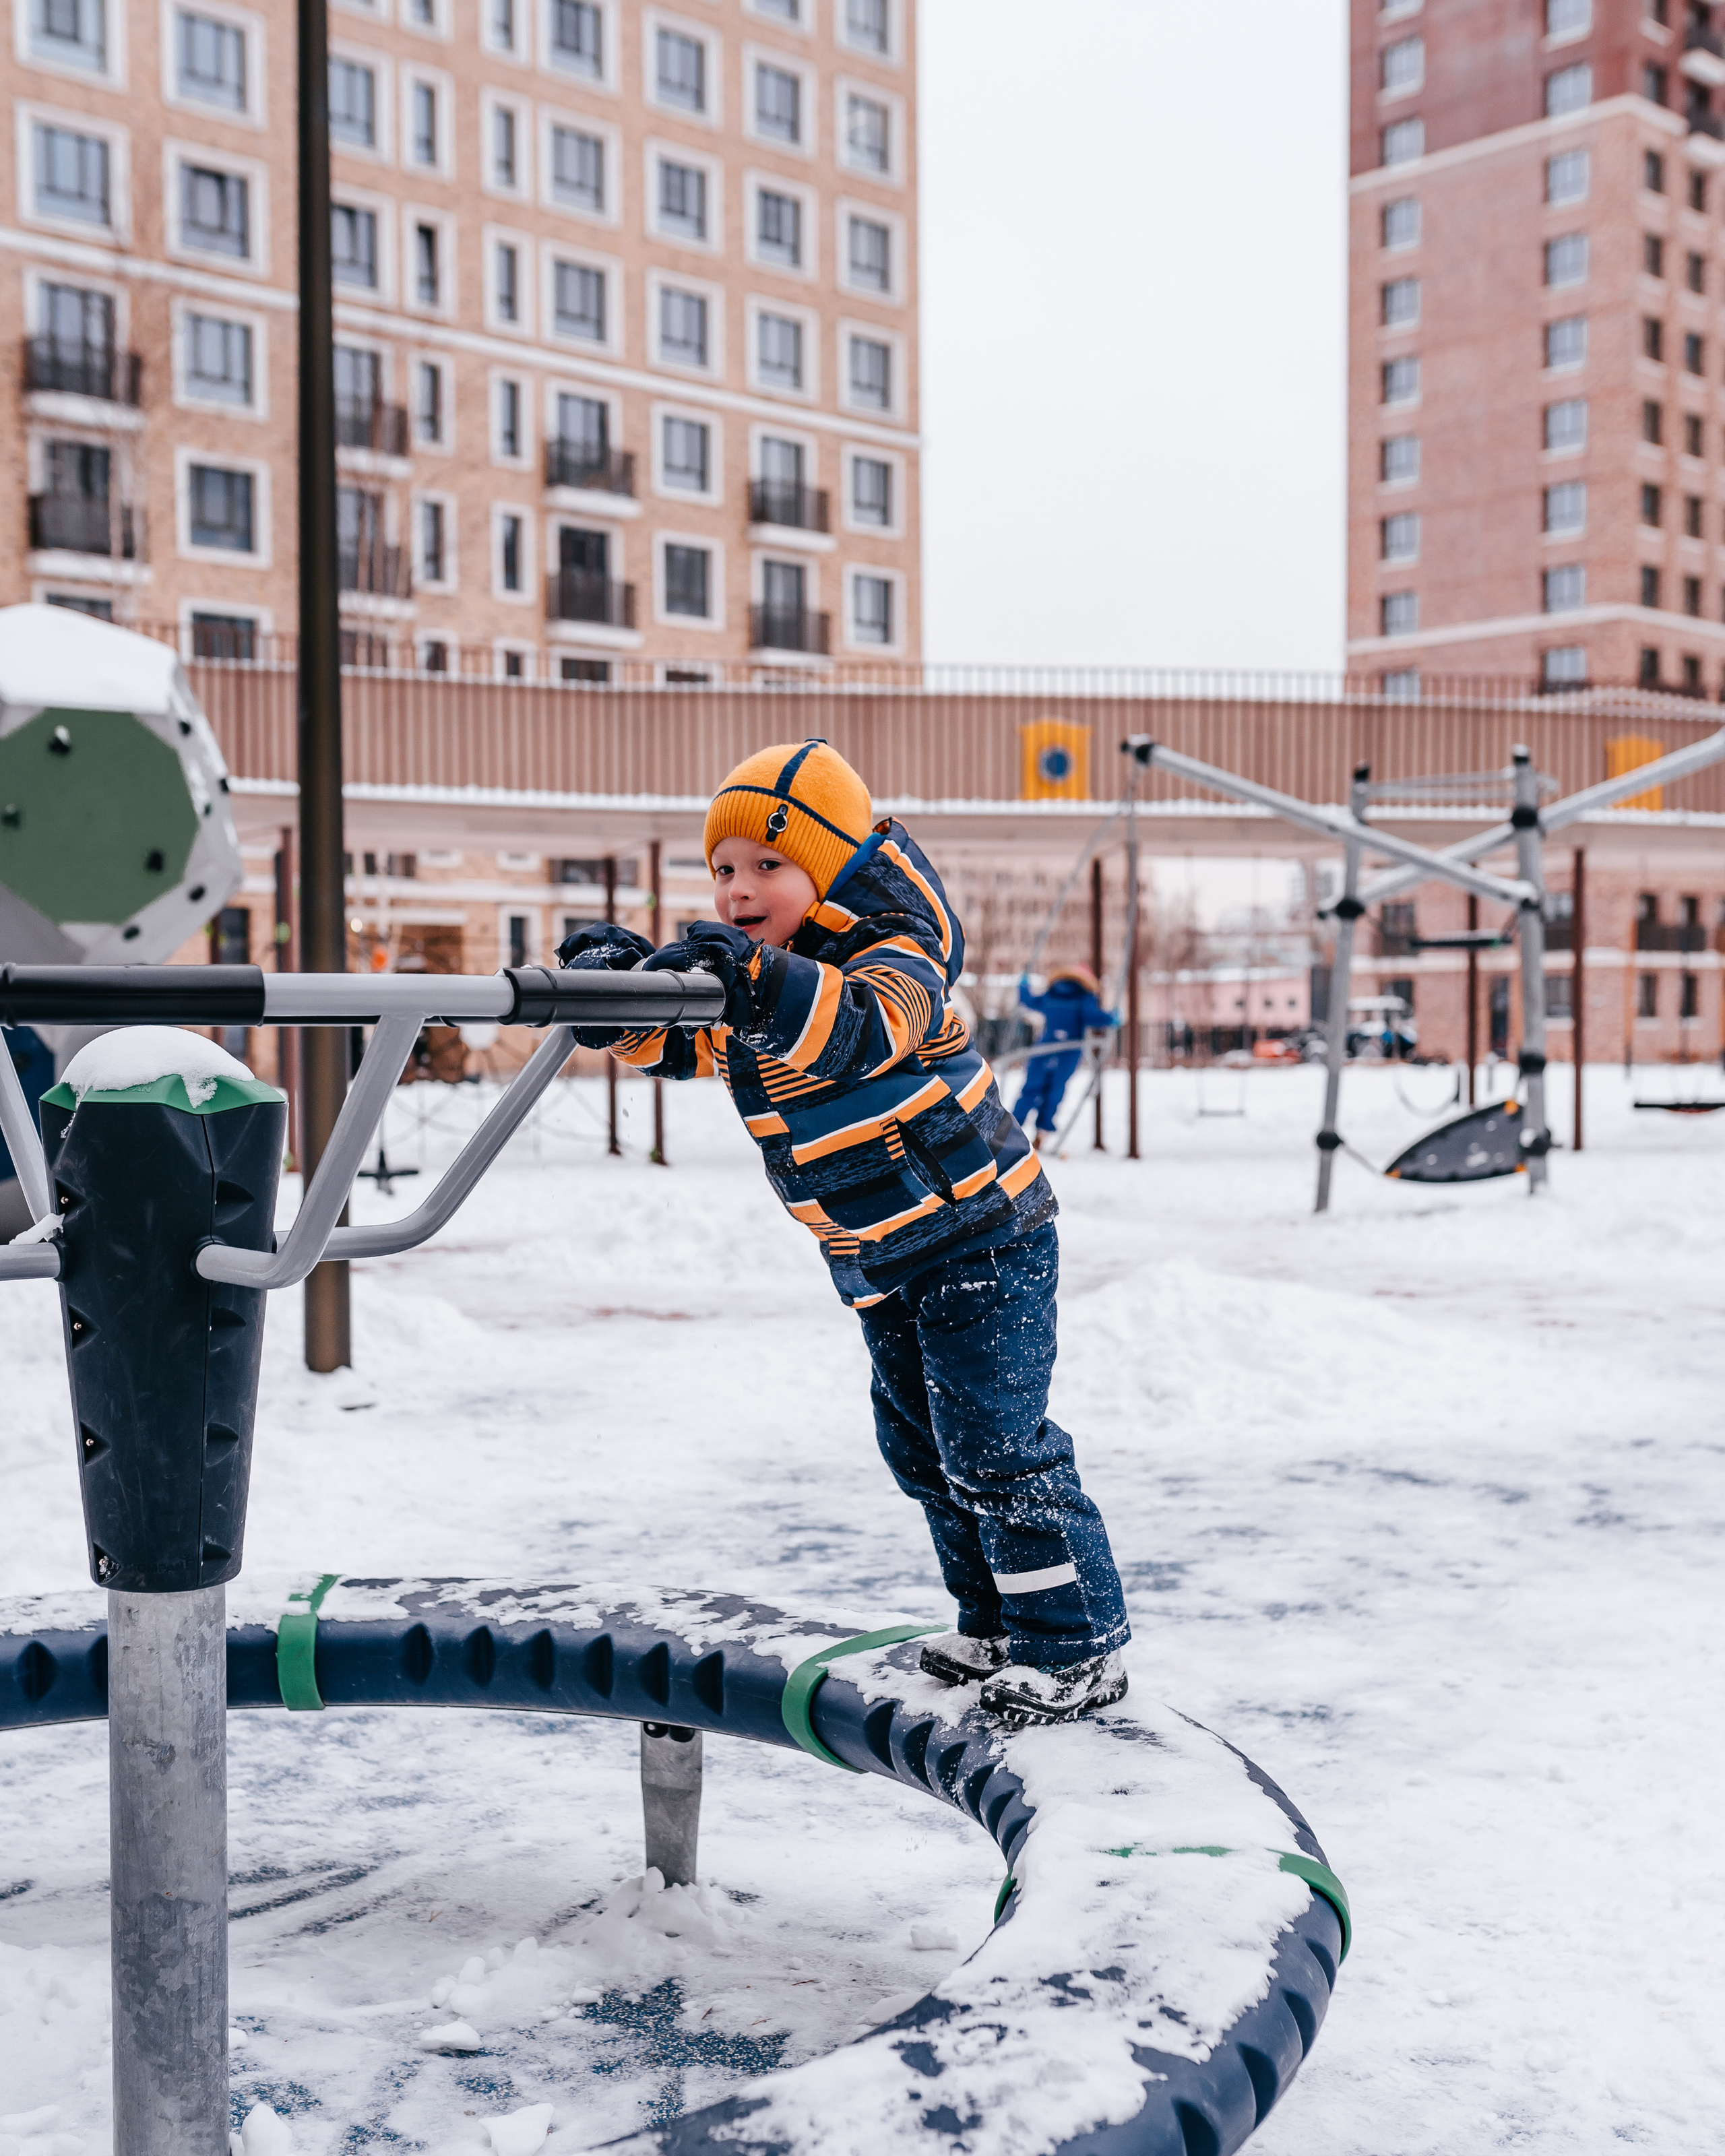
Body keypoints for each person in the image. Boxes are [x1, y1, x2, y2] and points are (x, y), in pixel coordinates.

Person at [559, 740, 1130, 1727]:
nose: (740, 891)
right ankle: (994, 1624)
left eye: (769, 867)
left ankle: (1076, 1648)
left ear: (827, 870)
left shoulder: (893, 951)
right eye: (725, 870)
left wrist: (753, 979)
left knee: (995, 1446)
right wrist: (617, 997)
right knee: (919, 1447)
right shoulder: (761, 984)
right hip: (878, 1253)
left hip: (979, 1233)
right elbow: (690, 1043)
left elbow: (866, 1028)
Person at [1013, 967, 1119, 1148]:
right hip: (1069, 1050)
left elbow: (1029, 1001)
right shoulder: (1085, 998)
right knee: (1055, 1090)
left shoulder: (1051, 994)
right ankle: (1042, 1132)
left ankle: (1012, 1131)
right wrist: (1112, 1018)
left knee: (1030, 1089)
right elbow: (1093, 1017)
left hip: (1045, 1047)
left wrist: (1023, 986)